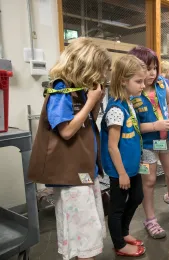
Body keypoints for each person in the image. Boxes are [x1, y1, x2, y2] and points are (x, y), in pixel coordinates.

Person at [27, 37, 111, 260]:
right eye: (98, 70)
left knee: (88, 226)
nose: (100, 76)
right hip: (70, 174)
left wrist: (94, 101)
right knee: (82, 229)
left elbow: (87, 123)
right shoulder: (60, 89)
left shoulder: (79, 91)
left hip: (83, 169)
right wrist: (91, 102)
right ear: (85, 65)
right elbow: (66, 131)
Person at [129, 46, 169, 239]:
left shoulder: (162, 83)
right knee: (150, 180)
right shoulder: (132, 93)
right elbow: (134, 126)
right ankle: (150, 219)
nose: (152, 73)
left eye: (154, 67)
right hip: (146, 145)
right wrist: (156, 125)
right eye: (147, 68)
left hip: (166, 140)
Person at [100, 55, 147, 257]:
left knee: (137, 197)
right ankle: (119, 244)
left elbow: (132, 136)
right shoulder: (116, 109)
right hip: (121, 171)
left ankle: (124, 232)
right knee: (117, 207)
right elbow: (112, 146)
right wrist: (121, 174)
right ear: (123, 81)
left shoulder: (129, 104)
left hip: (132, 166)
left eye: (143, 81)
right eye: (138, 81)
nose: (143, 85)